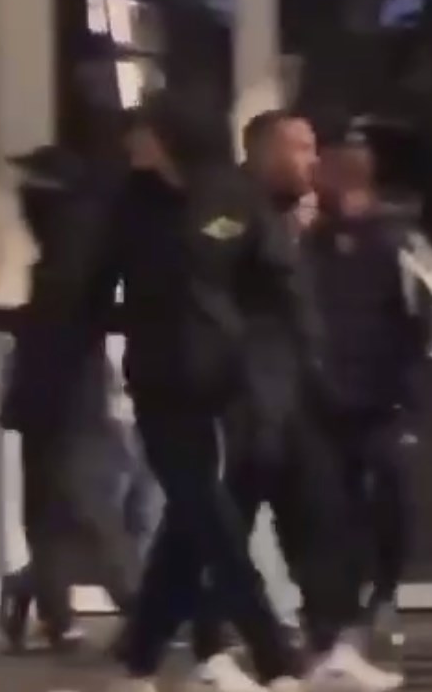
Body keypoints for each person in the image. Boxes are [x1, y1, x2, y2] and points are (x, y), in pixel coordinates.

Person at [55, 93, 307, 692]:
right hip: (160, 381)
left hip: (230, 377)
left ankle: (139, 663)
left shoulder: (232, 198)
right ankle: (274, 657)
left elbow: (278, 284)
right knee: (205, 510)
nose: (132, 141)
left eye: (142, 130)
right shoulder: (129, 204)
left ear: (170, 136)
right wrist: (78, 348)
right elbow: (93, 287)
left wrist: (283, 361)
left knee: (191, 522)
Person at [187, 111, 404, 692]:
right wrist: (235, 369)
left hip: (293, 398)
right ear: (265, 151)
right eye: (300, 148)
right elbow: (206, 280)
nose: (313, 160)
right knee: (230, 526)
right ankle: (212, 650)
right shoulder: (233, 205)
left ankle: (329, 645)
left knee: (317, 517)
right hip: (251, 398)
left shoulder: (286, 217)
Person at [0, 121, 147, 655]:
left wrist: (7, 318)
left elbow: (59, 316)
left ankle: (126, 603)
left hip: (60, 387)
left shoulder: (68, 246)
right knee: (61, 502)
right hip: (56, 385)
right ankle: (59, 606)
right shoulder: (68, 244)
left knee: (74, 499)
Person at [308, 132, 432, 631]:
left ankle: (384, 591)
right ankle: (336, 609)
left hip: (387, 398)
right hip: (322, 398)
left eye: (322, 169)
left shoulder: (403, 242)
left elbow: (430, 320)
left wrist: (412, 392)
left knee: (391, 496)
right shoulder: (311, 241)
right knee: (328, 505)